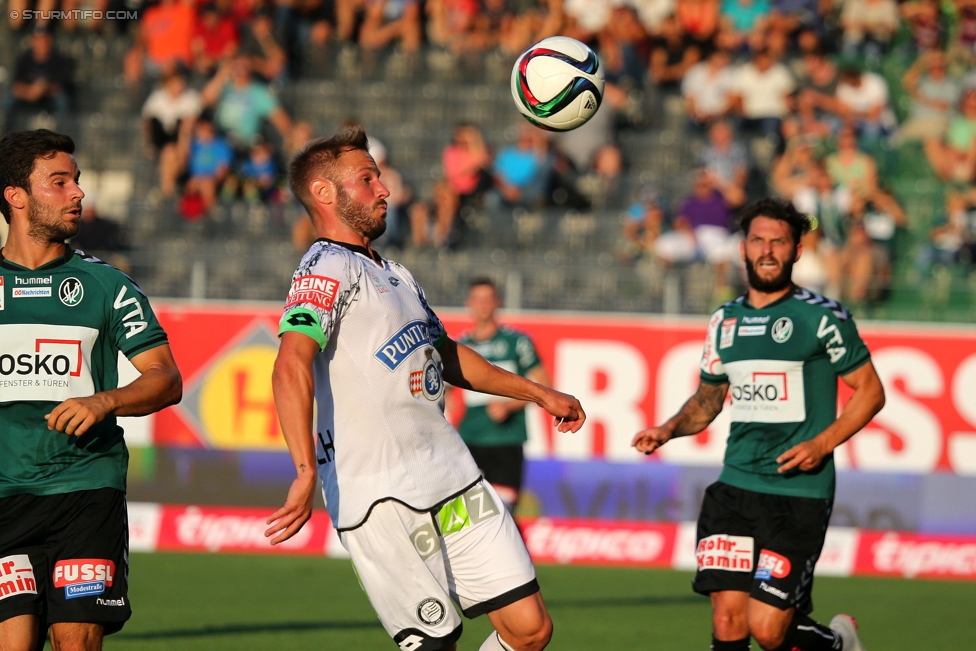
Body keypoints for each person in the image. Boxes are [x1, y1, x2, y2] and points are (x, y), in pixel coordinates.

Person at [265, 126, 585, 651]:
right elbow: (290, 363)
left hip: (451, 475)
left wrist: (538, 393)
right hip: (380, 494)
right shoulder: (325, 268)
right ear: (325, 193)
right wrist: (304, 471)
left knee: (530, 631)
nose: (384, 188)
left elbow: (450, 355)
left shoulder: (396, 273)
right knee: (436, 642)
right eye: (367, 179)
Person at [632, 197, 885, 651]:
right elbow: (708, 400)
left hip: (798, 493)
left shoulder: (823, 317)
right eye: (758, 240)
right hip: (735, 488)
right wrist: (668, 428)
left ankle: (838, 644)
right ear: (743, 248)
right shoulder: (724, 321)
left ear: (797, 251)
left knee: (767, 631)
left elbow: (870, 391)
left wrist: (822, 443)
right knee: (728, 622)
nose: (767, 250)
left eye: (779, 241)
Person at [0, 129, 183, 651]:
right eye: (59, 182)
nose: (78, 193)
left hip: (85, 491)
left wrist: (105, 400)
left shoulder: (108, 286)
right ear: (16, 196)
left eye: (76, 181)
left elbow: (165, 378)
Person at [454, 278, 551, 514]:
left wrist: (510, 406)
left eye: (488, 299)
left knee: (505, 512)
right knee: (466, 515)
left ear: (498, 302)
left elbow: (544, 384)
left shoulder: (517, 342)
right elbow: (444, 394)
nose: (483, 305)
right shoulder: (460, 347)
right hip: (468, 440)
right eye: (478, 300)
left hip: (506, 441)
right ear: (469, 304)